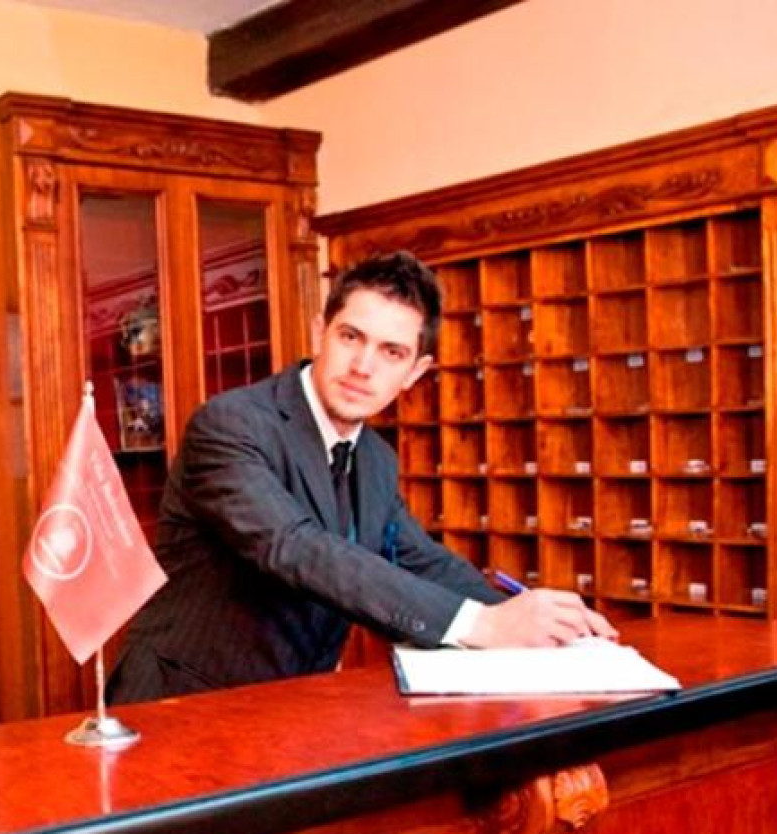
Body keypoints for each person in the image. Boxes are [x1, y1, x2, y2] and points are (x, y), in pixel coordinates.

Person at [106, 251, 616, 705]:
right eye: (351, 337)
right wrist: (483, 625)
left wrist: (533, 619)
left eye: (392, 352)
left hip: (287, 710)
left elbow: (418, 559)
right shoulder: (230, 424)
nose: (363, 366)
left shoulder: (375, 458)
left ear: (415, 372)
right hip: (182, 702)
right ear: (319, 333)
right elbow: (294, 547)